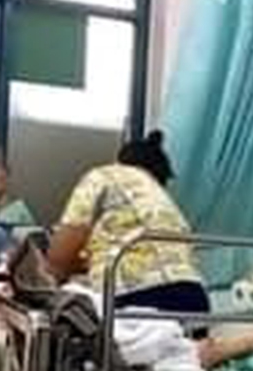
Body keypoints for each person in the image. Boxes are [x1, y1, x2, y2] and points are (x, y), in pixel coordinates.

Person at [45, 130, 209, 314]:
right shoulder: (168, 206)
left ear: (119, 161)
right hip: (196, 299)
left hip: (136, 296)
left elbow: (59, 258)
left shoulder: (104, 176)